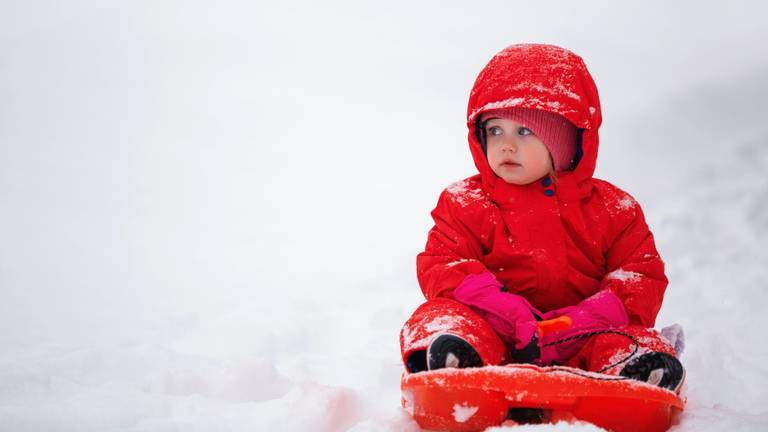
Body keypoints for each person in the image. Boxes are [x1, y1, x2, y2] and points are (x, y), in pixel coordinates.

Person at [399, 43, 684, 393]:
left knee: (631, 337)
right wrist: (502, 309)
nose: (506, 145)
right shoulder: (464, 202)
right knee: (439, 316)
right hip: (497, 330)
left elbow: (640, 276)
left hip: (587, 334)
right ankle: (454, 361)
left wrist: (586, 319)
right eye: (494, 130)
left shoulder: (614, 209)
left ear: (567, 141)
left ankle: (635, 371)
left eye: (524, 131)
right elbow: (444, 264)